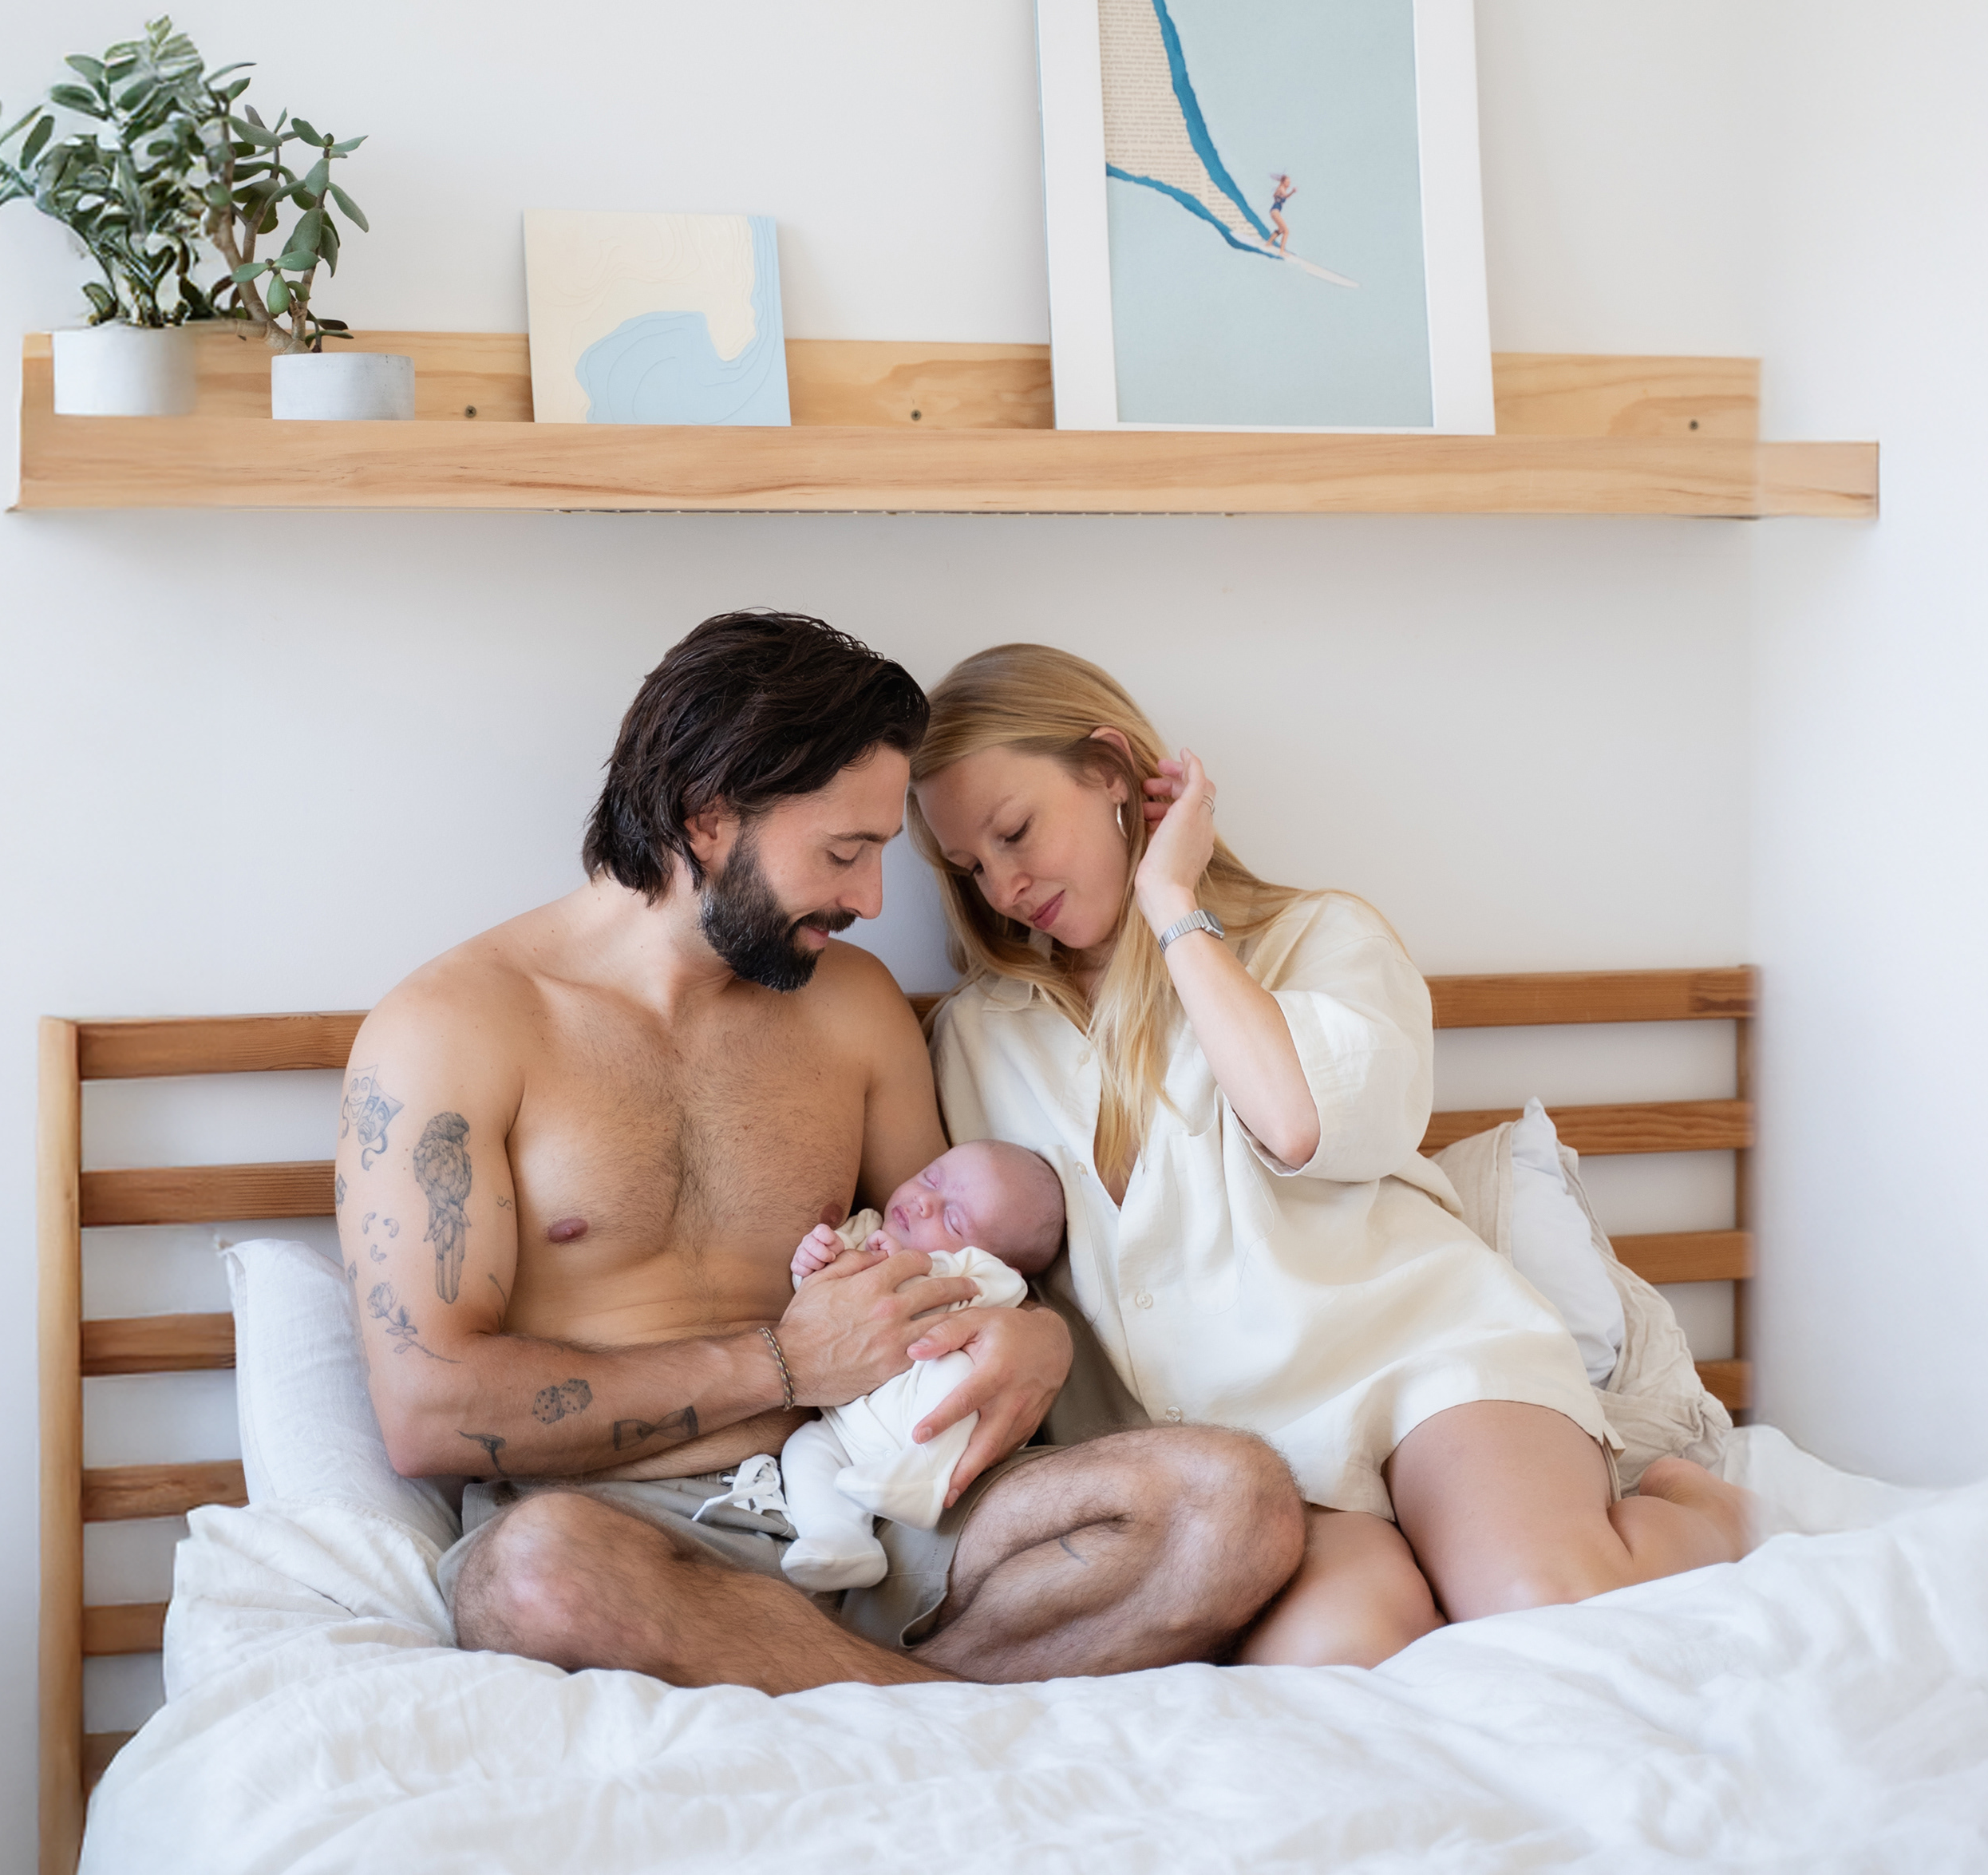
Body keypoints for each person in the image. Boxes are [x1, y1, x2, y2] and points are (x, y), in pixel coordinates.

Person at [333, 613, 1303, 1694]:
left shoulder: (854, 1008)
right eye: (845, 853)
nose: (871, 901)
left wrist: (1035, 1340)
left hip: (894, 1493)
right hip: (633, 1528)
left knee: (1238, 1501)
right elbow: (428, 1410)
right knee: (528, 1580)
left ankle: (862, 1694)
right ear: (707, 817)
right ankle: (943, 1701)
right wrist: (781, 1365)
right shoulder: (452, 1031)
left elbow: (955, 1256)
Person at [909, 643, 1758, 1669]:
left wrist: (1171, 899)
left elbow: (1298, 1122)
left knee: (1540, 1606)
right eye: (970, 866)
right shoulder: (978, 1037)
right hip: (1246, 1455)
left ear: (1109, 770)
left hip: (1425, 1364)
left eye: (1014, 831)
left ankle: (1694, 1508)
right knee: (1338, 1659)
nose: (1004, 885)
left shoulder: (1315, 937)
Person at [776, 1140, 1067, 1592]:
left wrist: (909, 1264)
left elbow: (988, 1292)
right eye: (931, 1178)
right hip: (846, 1430)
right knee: (803, 1451)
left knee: (959, 1373)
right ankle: (839, 1539)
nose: (925, 1202)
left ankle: (924, 1477)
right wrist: (813, 1259)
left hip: (927, 1413)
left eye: (953, 1220)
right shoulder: (864, 1228)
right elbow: (812, 1303)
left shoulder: (986, 1273)